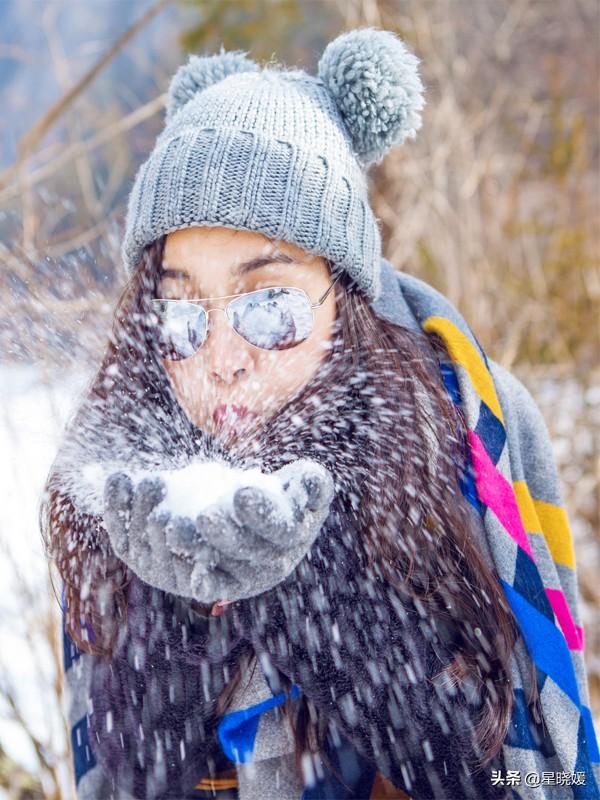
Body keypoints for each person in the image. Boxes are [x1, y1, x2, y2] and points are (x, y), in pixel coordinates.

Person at [41, 27, 599, 800]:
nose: (221, 356)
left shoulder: (466, 444)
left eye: (268, 305)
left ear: (346, 302)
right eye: (180, 314)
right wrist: (174, 624)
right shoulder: (124, 482)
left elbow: (536, 774)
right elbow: (118, 779)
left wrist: (323, 601)